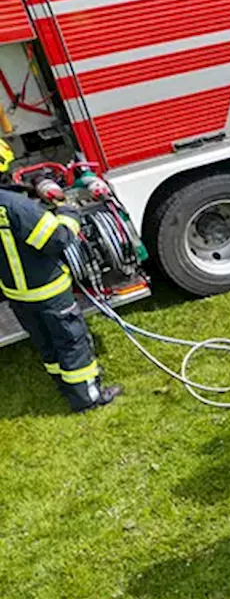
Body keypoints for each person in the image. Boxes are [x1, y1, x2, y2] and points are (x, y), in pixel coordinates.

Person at [0, 139, 120, 412]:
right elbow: (57, 238)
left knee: (46, 341)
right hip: (48, 290)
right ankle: (88, 397)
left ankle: (62, 382)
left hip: (15, 293)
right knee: (71, 340)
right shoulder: (15, 205)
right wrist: (66, 213)